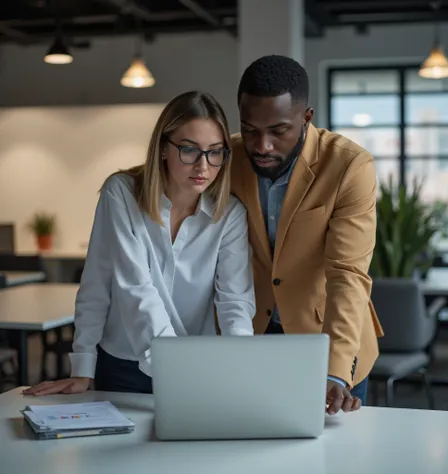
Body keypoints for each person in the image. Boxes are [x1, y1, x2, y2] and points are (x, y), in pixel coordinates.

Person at [23, 91, 256, 396]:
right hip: (124, 366)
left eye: (215, 152)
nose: (203, 166)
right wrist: (82, 367)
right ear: (162, 148)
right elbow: (119, 287)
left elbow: (234, 302)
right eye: (189, 150)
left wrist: (244, 367)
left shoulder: (230, 215)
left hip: (195, 368)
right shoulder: (121, 194)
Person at [230, 55, 383, 414]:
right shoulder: (228, 156)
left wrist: (335, 371)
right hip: (254, 337)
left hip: (330, 341)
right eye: (250, 129)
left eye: (278, 131)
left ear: (306, 118)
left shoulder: (348, 165)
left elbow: (347, 273)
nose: (262, 145)